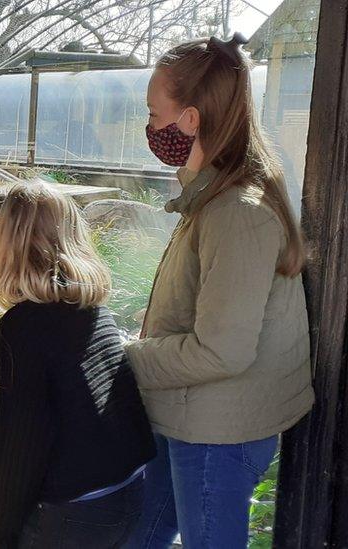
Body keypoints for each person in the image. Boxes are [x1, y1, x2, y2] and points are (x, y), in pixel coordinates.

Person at [125, 34, 315, 549]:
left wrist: (124, 359)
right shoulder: (212, 196)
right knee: (141, 535)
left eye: (153, 111)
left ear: (189, 120)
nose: (149, 125)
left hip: (217, 431)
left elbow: (222, 350)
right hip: (189, 414)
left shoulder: (236, 213)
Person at [0, 182, 157, 549]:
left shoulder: (22, 327)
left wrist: (4, 535)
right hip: (127, 493)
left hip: (73, 513)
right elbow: (67, 395)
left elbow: (20, 451)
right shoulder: (88, 306)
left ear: (18, 245)